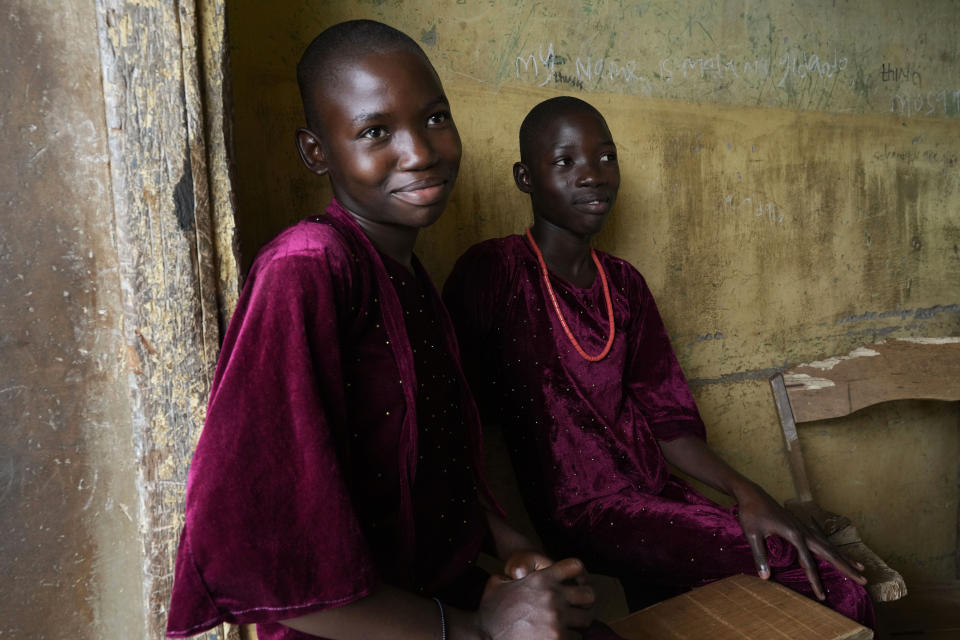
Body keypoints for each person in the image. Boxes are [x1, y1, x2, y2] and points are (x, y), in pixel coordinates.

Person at [165, 23, 607, 640]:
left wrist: (512, 551)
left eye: (434, 118)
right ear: (317, 152)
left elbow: (433, 457)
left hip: (436, 595)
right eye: (376, 131)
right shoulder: (308, 268)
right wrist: (481, 626)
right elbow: (270, 570)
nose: (421, 152)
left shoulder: (409, 275)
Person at [442, 96, 875, 627]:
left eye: (606, 157)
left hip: (657, 495)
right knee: (831, 585)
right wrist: (502, 535)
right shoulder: (494, 272)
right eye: (565, 162)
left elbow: (668, 425)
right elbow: (452, 416)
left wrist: (749, 494)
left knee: (791, 562)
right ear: (524, 177)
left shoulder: (623, 284)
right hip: (586, 511)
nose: (593, 176)